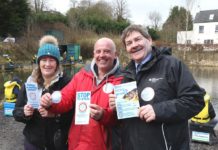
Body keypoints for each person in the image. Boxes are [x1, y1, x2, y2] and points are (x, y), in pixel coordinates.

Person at [109, 24, 206, 150]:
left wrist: (158, 110)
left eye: (138, 39)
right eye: (129, 43)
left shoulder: (172, 65)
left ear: (149, 40)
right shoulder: (127, 74)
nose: (134, 45)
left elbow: (195, 101)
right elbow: (129, 117)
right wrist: (118, 108)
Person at [40, 37, 123, 150]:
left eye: (107, 51)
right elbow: (65, 98)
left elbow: (127, 120)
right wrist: (50, 103)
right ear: (94, 54)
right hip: (76, 144)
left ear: (115, 54)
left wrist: (103, 115)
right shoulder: (81, 75)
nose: (102, 55)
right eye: (98, 51)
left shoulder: (124, 81)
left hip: (103, 146)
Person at [13, 35, 73, 150]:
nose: (47, 64)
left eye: (51, 60)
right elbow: (16, 112)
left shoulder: (67, 82)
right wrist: (25, 112)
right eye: (44, 60)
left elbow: (75, 113)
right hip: (33, 143)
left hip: (58, 143)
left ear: (57, 63)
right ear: (38, 62)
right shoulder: (30, 82)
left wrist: (55, 115)